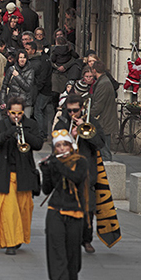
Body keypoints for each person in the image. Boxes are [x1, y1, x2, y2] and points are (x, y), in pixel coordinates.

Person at [0, 96, 44, 255]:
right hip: (5, 173)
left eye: (19, 113)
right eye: (13, 113)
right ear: (8, 112)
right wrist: (8, 133)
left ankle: (18, 238)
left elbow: (39, 144)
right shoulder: (0, 124)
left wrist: (24, 133)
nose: (16, 116)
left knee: (23, 210)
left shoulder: (31, 124)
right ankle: (10, 242)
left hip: (24, 173)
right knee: (8, 210)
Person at [53, 93, 105, 254]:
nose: (72, 114)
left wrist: (84, 131)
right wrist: (69, 137)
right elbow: (56, 147)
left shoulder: (91, 123)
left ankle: (86, 240)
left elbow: (100, 144)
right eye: (69, 111)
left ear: (82, 109)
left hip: (86, 172)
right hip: (66, 173)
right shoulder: (61, 124)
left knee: (88, 209)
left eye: (75, 110)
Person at [40, 129, 89, 280]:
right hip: (56, 210)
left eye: (64, 145)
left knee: (72, 254)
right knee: (56, 251)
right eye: (58, 146)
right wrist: (45, 171)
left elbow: (76, 178)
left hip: (75, 212)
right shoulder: (55, 162)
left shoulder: (80, 161)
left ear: (71, 146)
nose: (62, 149)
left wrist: (58, 165)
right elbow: (47, 189)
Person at [90, 60, 119, 162]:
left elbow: (99, 105)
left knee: (104, 151)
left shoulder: (103, 83)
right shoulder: (103, 81)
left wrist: (89, 115)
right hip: (104, 119)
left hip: (104, 121)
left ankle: (108, 173)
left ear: (94, 70)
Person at [0, 49, 35, 117]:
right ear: (17, 59)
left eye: (24, 57)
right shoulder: (11, 69)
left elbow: (27, 87)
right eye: (20, 57)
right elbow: (4, 86)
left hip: (25, 102)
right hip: (13, 102)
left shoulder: (30, 70)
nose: (22, 60)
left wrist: (17, 76)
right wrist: (2, 101)